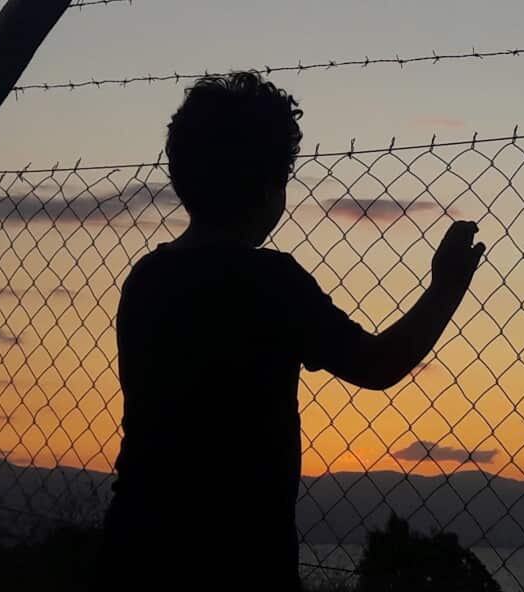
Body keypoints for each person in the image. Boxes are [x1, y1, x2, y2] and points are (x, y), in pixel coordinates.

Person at [95, 71, 484, 590]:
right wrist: (446, 287)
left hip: (138, 542)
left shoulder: (146, 278)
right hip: (244, 552)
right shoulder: (273, 283)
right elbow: (378, 364)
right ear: (269, 186)